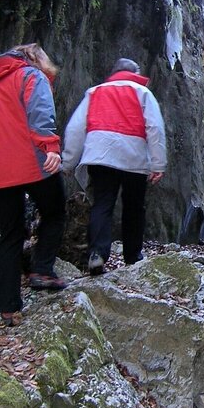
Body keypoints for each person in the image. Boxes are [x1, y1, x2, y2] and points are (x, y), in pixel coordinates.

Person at [0, 43, 68, 327]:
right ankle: (42, 271)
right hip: (33, 163)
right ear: (36, 59)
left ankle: (8, 307)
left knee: (10, 235)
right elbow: (40, 114)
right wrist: (50, 147)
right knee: (55, 212)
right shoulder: (30, 76)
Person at [62, 58, 167, 275]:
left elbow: (75, 128)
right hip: (134, 157)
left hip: (101, 155)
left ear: (113, 72)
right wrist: (158, 163)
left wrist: (69, 161)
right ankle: (133, 256)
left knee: (102, 204)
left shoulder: (95, 92)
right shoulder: (143, 93)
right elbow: (155, 128)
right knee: (134, 207)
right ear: (135, 73)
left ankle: (97, 253)